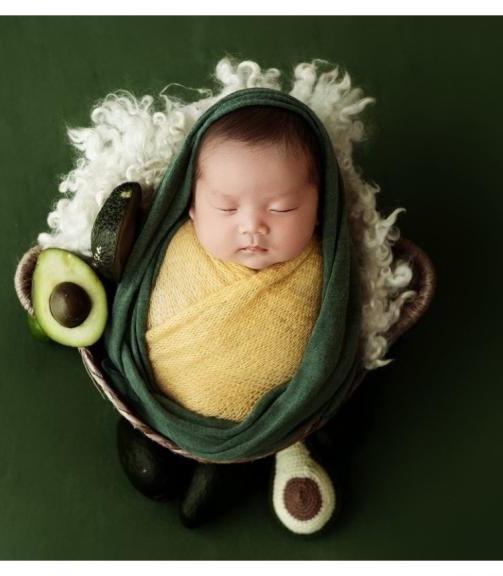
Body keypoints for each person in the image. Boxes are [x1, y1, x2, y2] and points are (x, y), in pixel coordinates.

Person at [119, 103, 339, 534]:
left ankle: (234, 465)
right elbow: (129, 308)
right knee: (152, 473)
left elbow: (332, 349)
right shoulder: (174, 246)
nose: (252, 226)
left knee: (214, 490)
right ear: (192, 207)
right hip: (153, 404)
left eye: (282, 209)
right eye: (225, 208)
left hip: (257, 430)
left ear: (319, 208)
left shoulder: (324, 272)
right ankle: (158, 450)